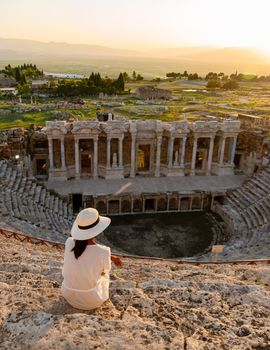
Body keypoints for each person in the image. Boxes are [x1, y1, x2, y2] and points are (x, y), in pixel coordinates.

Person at [61, 207, 123, 310]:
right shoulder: (104, 251)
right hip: (92, 300)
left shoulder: (69, 242)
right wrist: (110, 257)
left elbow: (86, 253)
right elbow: (105, 271)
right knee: (104, 275)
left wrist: (111, 257)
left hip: (68, 295)